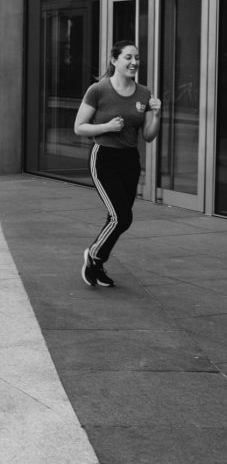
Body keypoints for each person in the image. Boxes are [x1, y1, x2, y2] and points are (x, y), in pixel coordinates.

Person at [74, 39, 162, 288]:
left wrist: (156, 114)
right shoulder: (98, 90)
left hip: (130, 160)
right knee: (121, 217)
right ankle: (93, 255)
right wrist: (107, 127)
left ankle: (97, 262)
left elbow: (149, 135)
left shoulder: (144, 93)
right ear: (114, 61)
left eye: (137, 58)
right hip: (103, 158)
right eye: (128, 57)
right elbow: (79, 127)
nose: (134, 62)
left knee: (119, 217)